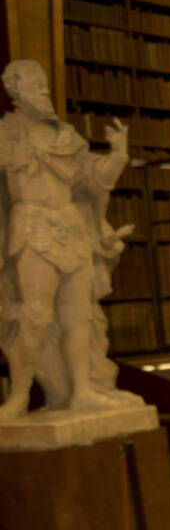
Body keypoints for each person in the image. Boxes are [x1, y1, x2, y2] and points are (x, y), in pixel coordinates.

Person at [0, 59, 134, 420]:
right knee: (36, 316)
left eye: (45, 83)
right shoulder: (6, 134)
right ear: (15, 88)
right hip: (33, 226)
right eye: (36, 83)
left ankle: (83, 392)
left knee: (79, 317)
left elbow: (92, 181)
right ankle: (19, 398)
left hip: (72, 228)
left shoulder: (67, 137)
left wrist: (118, 154)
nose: (44, 89)